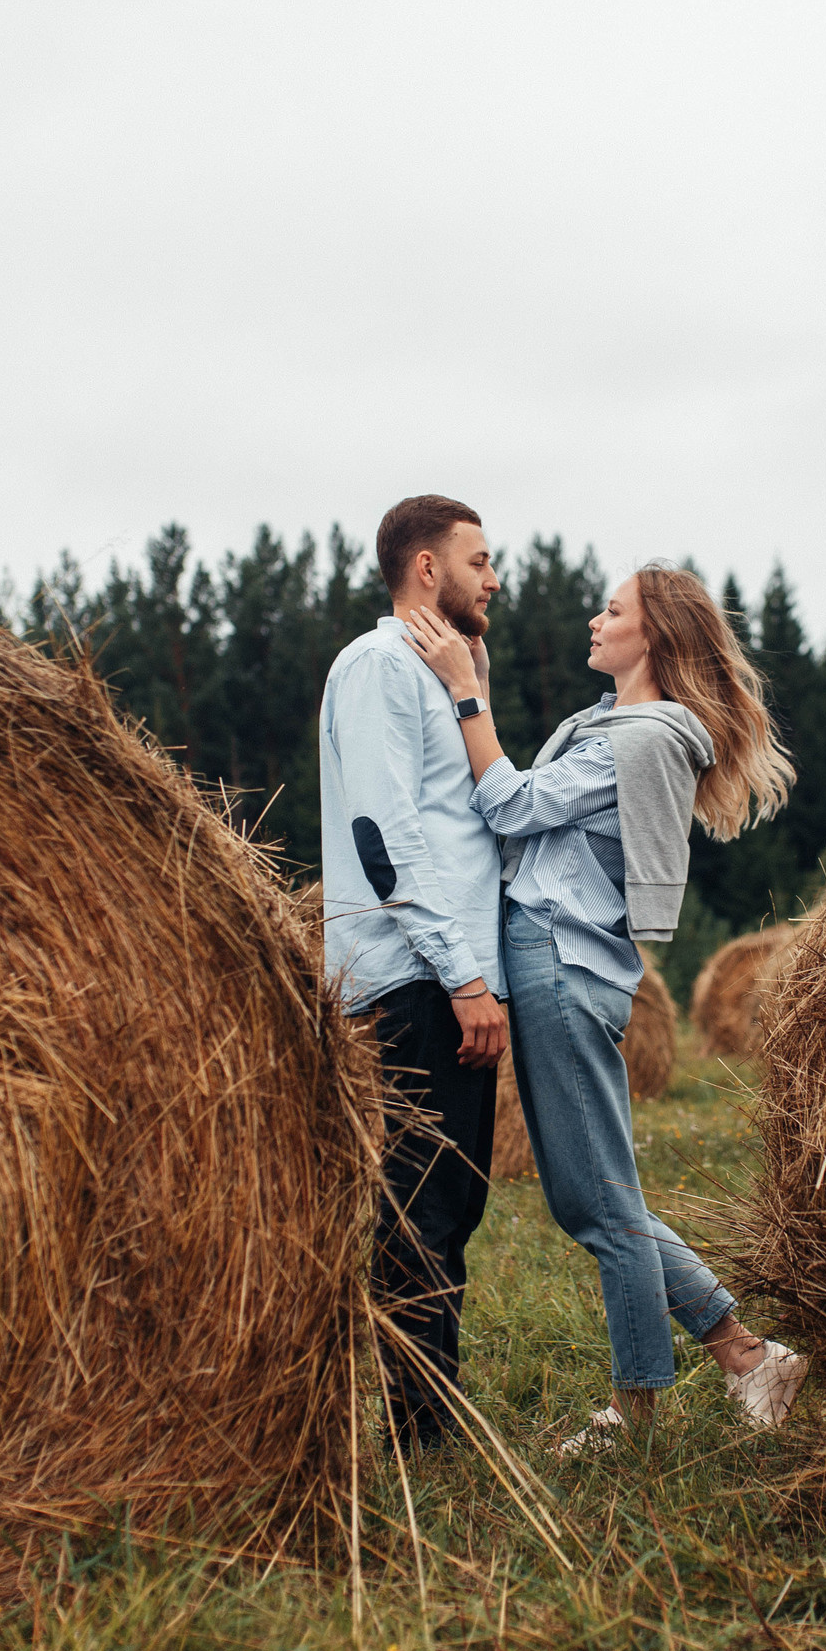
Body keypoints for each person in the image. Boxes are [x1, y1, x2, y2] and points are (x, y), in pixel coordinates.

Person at [400, 564, 809, 1453]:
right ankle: (746, 1355)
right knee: (592, 1197)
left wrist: (467, 695)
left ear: (652, 635)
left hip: (560, 962)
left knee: (604, 1207)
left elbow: (511, 806)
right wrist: (478, 691)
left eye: (612, 609)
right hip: (561, 962)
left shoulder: (644, 736)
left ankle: (638, 1417)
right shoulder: (611, 728)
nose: (594, 619)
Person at [320, 494, 511, 1450]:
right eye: (480, 560)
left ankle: (435, 1408)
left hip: (451, 975)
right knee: (418, 1205)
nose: (495, 579)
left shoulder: (440, 674)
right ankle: (417, 1433)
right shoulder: (378, 665)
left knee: (454, 1202)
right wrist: (464, 979)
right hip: (415, 977)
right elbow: (383, 833)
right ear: (426, 569)